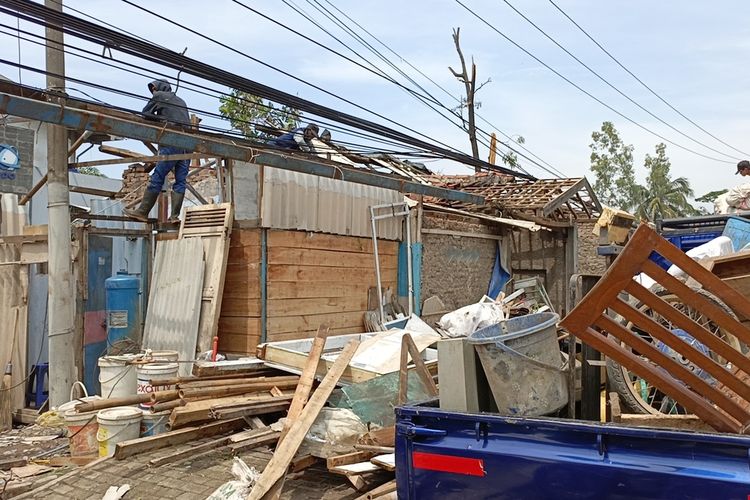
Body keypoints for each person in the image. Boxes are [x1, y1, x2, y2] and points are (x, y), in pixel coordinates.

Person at [124, 79, 191, 222]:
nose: (153, 91)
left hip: (170, 142)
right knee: (180, 181)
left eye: (154, 88)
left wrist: (158, 120)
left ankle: (142, 211)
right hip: (187, 146)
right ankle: (174, 217)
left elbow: (146, 114)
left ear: (159, 88)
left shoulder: (159, 96)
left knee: (158, 177)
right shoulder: (181, 101)